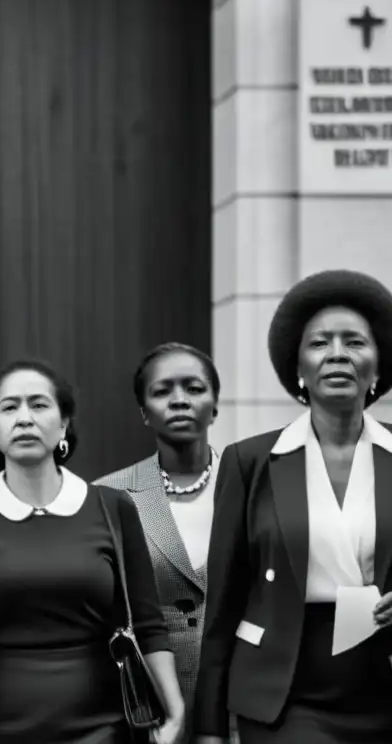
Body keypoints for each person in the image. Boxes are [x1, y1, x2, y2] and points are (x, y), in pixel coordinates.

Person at [0, 359, 185, 744]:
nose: (24, 418)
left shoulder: (112, 507)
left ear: (64, 424)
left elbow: (148, 622)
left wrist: (174, 712)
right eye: (9, 407)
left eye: (38, 405)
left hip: (105, 726)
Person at [194, 269, 392, 743]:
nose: (338, 354)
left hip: (382, 683)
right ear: (298, 368)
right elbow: (223, 601)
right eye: (320, 343)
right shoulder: (251, 461)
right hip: (283, 690)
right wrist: (208, 728)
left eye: (355, 342)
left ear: (379, 367)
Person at [97, 343, 223, 744]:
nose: (180, 400)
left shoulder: (254, 482)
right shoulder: (107, 495)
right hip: (151, 704)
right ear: (144, 413)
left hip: (242, 695)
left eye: (194, 388)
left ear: (216, 405)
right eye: (163, 391)